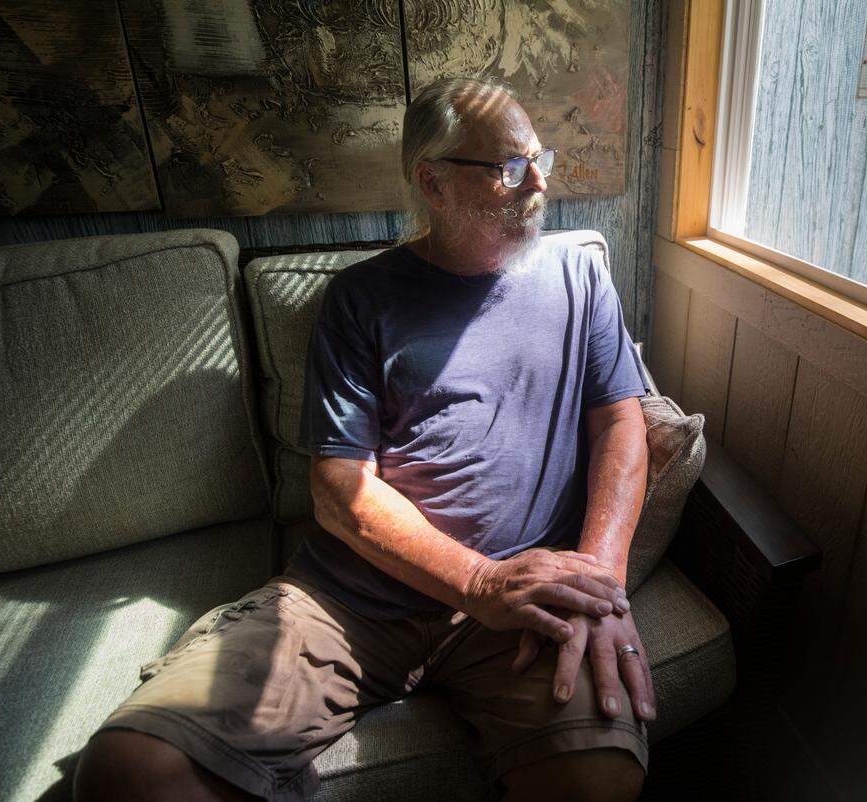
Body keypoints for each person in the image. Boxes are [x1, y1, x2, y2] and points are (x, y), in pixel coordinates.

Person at [74, 74, 655, 802]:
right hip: (354, 602)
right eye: (510, 166)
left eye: (540, 156)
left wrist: (599, 578)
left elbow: (621, 421)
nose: (538, 181)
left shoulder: (581, 278)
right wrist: (477, 582)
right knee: (132, 771)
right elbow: (339, 491)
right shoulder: (361, 299)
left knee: (599, 780)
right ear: (433, 183)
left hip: (523, 603)